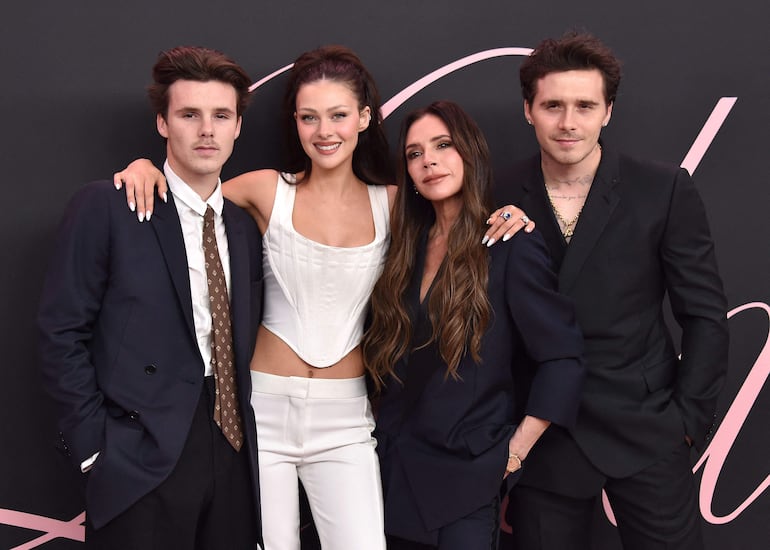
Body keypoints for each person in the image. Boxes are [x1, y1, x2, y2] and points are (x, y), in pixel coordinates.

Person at [114, 46, 530, 549]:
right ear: (295, 123)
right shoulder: (268, 190)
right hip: (262, 412)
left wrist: (509, 213)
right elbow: (189, 193)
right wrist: (144, 166)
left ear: (364, 118)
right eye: (309, 118)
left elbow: (457, 210)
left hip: (347, 420)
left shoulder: (396, 203)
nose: (324, 131)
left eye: (337, 115)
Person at [499, 32, 729, 549]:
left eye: (585, 106)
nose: (568, 122)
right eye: (553, 105)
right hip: (545, 432)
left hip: (645, 426)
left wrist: (687, 423)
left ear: (607, 112)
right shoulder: (496, 190)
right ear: (528, 111)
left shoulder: (662, 188)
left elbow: (706, 316)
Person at [37, 46, 263, 549]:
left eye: (221, 115)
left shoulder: (246, 228)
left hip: (234, 448)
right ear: (163, 123)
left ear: (238, 127)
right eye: (189, 114)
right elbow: (61, 332)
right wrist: (94, 448)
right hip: (139, 452)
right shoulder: (108, 207)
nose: (207, 130)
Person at [361, 100, 585, 549]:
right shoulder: (404, 246)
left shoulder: (509, 243)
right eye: (414, 153)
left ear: (469, 153)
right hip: (391, 473)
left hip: (465, 477)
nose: (429, 161)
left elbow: (563, 359)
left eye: (443, 145)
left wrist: (514, 453)